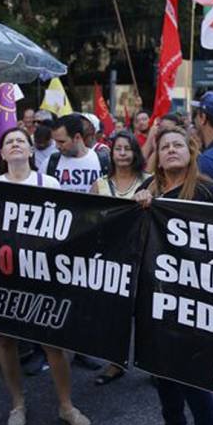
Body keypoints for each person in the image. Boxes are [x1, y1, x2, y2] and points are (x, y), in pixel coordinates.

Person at [134, 127, 213, 425]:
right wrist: (138, 209)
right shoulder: (147, 190)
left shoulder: (208, 190)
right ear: (156, 156)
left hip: (195, 297)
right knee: (162, 369)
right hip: (155, 295)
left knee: (191, 371)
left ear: (190, 153)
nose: (171, 150)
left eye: (178, 145)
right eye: (164, 147)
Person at [0, 127, 91, 425]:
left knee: (52, 344)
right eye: (10, 142)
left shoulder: (48, 182)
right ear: (3, 153)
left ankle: (65, 405)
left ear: (31, 150)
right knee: (7, 340)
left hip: (42, 274)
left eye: (21, 140)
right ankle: (17, 404)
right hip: (5, 273)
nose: (16, 144)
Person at [90, 130, 149, 385]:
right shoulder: (99, 185)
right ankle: (116, 363)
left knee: (147, 313)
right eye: (118, 149)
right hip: (112, 259)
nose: (123, 153)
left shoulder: (150, 182)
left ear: (136, 153)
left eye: (128, 149)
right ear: (111, 154)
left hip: (145, 256)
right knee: (115, 313)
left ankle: (154, 364)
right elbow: (89, 221)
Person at [48, 113, 102, 193]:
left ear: (77, 137)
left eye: (61, 142)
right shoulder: (50, 163)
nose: (57, 146)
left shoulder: (102, 161)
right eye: (55, 141)